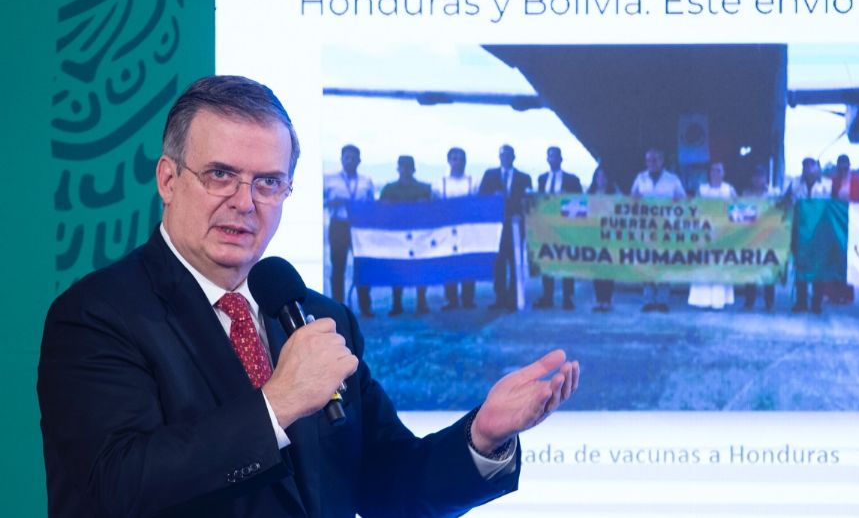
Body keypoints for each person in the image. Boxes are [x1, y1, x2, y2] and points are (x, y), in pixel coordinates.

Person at [37, 76, 580, 518]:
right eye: (221, 175)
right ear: (168, 179)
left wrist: (483, 437)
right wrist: (279, 403)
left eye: (269, 182)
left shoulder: (316, 317)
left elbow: (389, 483)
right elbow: (118, 485)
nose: (245, 202)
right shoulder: (96, 317)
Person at [630, 148, 686, 312]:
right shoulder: (640, 178)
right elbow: (632, 198)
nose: (651, 163)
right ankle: (648, 299)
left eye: (655, 160)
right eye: (648, 160)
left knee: (663, 263)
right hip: (645, 228)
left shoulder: (672, 179)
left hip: (666, 229)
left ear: (662, 161)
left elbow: (682, 200)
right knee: (646, 262)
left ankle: (662, 300)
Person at [479, 144, 533, 311]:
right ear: (499, 157)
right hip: (496, 227)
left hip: (516, 226)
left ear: (514, 157)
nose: (506, 158)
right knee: (498, 263)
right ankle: (500, 297)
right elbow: (481, 197)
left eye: (509, 155)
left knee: (515, 262)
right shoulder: (490, 175)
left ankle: (513, 297)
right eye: (503, 155)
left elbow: (529, 202)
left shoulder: (524, 178)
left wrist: (520, 214)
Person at [323, 144, 375, 317]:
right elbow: (321, 203)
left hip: (360, 229)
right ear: (341, 159)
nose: (350, 160)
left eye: (354, 158)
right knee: (338, 267)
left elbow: (372, 206)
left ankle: (366, 307)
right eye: (347, 157)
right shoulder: (329, 180)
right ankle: (338, 307)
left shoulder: (366, 181)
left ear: (359, 161)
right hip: (338, 226)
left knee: (363, 266)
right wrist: (333, 201)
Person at [380, 155, 433, 316]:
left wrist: (427, 205)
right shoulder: (389, 189)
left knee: (421, 269)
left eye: (408, 166)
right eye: (402, 166)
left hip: (419, 236)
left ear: (413, 168)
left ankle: (421, 302)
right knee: (397, 270)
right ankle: (397, 304)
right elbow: (379, 212)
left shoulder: (424, 188)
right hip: (397, 238)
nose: (405, 170)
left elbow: (434, 212)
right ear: (398, 168)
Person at [534, 146, 583, 310]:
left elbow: (581, 203)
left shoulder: (572, 179)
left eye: (555, 157)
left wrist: (566, 197)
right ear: (547, 159)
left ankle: (567, 297)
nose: (553, 159)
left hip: (566, 227)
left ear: (561, 159)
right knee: (547, 261)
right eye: (550, 157)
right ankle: (547, 296)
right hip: (546, 227)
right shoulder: (541, 179)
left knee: (566, 262)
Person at [688, 162, 737, 310]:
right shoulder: (702, 189)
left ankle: (719, 301)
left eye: (719, 170)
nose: (715, 173)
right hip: (705, 233)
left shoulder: (729, 190)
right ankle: (701, 300)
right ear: (709, 173)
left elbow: (738, 210)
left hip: (723, 233)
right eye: (713, 170)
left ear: (723, 173)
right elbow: (694, 209)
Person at [434, 147, 478, 310]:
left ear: (465, 161)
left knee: (468, 263)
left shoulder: (473, 182)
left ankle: (468, 299)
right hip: (447, 230)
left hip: (467, 230)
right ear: (448, 161)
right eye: (454, 158)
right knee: (449, 264)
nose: (457, 162)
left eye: (461, 158)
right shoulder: (440, 184)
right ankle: (451, 299)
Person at [786, 157, 831, 314]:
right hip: (800, 231)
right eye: (805, 167)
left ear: (817, 168)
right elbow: (786, 203)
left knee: (818, 269)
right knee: (801, 267)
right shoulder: (795, 184)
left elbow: (833, 207)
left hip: (820, 232)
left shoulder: (826, 185)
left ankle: (817, 302)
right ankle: (801, 301)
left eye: (812, 167)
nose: (809, 170)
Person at [826, 154, 859, 304]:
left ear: (849, 166)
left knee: (848, 260)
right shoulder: (833, 181)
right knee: (834, 259)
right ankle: (833, 293)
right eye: (840, 166)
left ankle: (847, 294)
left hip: (852, 224)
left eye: (845, 166)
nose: (843, 169)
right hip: (836, 224)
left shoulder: (858, 181)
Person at [741, 164, 777, 311]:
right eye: (755, 177)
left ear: (765, 178)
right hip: (751, 237)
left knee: (768, 270)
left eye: (761, 176)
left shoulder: (773, 193)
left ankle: (769, 302)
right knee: (750, 270)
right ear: (751, 179)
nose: (758, 179)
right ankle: (749, 301)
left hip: (769, 236)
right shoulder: (745, 194)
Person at [587, 161, 620, 312]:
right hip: (594, 236)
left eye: (603, 176)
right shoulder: (589, 194)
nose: (600, 179)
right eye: (598, 176)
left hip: (611, 237)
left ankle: (607, 299)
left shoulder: (615, 194)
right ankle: (598, 299)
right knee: (596, 269)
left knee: (609, 269)